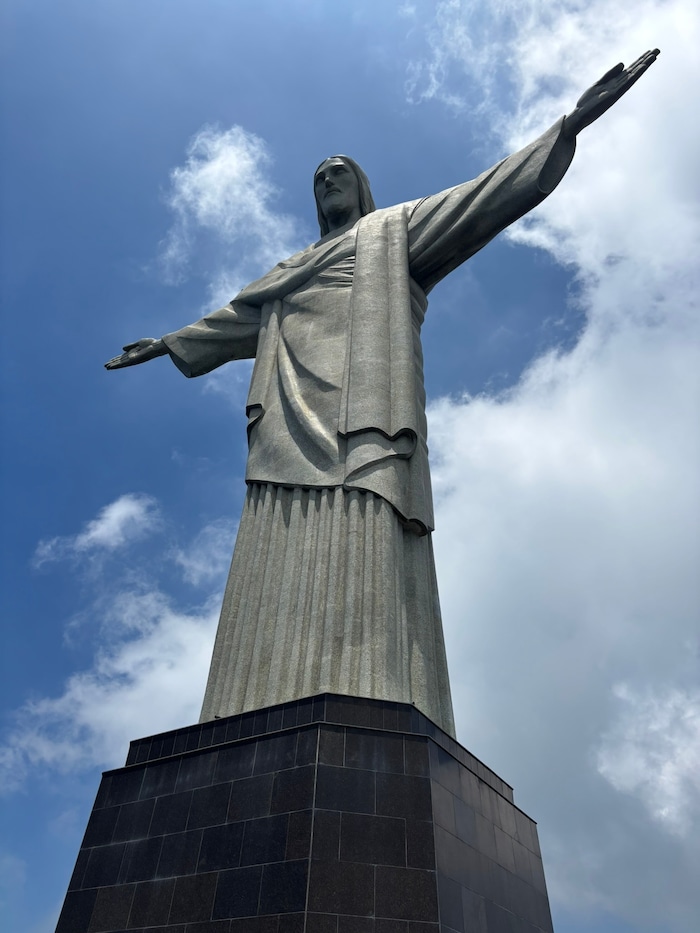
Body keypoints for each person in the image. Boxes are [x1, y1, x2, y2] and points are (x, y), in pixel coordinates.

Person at [107, 51, 659, 736]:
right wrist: (167, 343)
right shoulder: (289, 269)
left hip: (363, 409)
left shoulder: (393, 233)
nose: (327, 181)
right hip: (286, 414)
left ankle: (367, 687)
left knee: (367, 519)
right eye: (318, 178)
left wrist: (569, 126)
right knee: (273, 527)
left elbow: (482, 197)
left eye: (338, 172)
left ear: (361, 187)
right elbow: (234, 321)